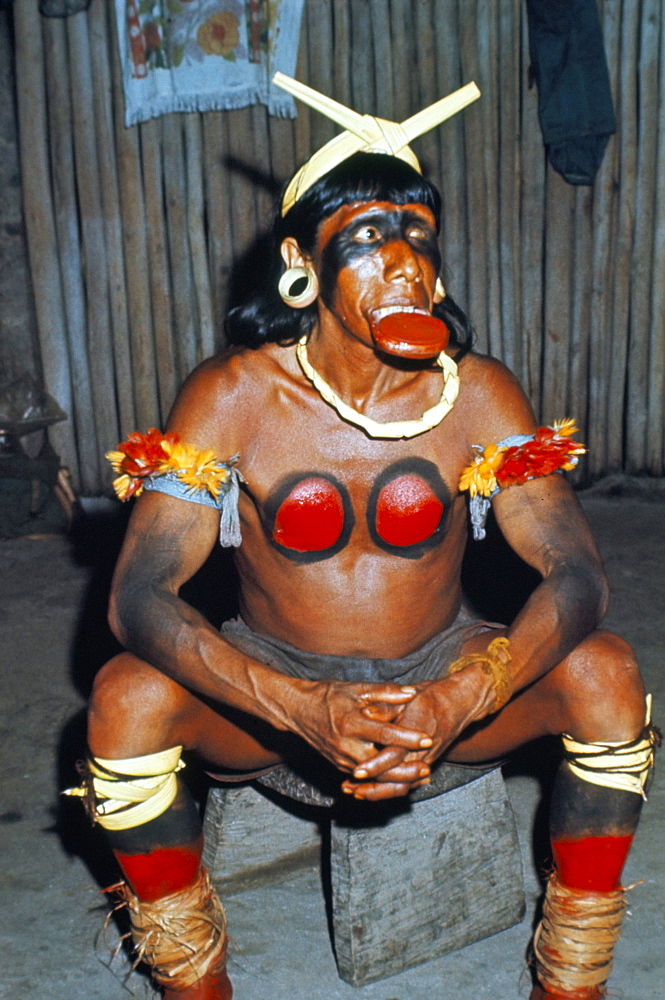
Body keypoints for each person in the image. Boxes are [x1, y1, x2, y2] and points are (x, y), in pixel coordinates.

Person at [69, 76, 657, 1000]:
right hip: (273, 700)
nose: (406, 263)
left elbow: (575, 574)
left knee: (608, 673)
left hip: (442, 674)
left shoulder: (479, 395)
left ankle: (571, 984)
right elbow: (137, 595)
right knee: (122, 697)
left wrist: (465, 691)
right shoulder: (234, 397)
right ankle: (195, 984)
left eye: (420, 236)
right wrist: (296, 703)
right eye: (372, 236)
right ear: (302, 260)